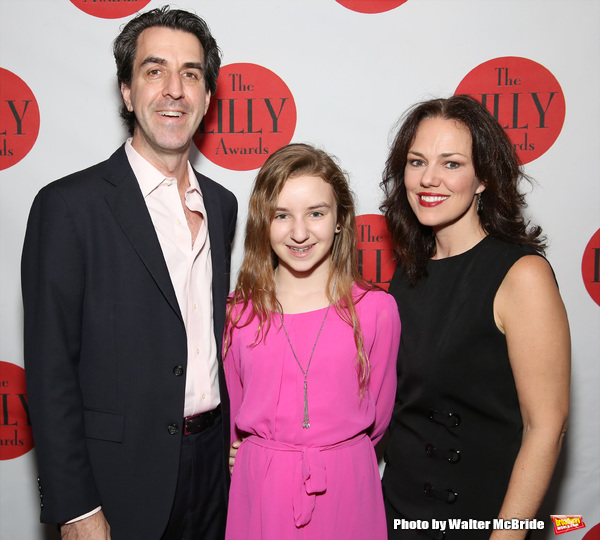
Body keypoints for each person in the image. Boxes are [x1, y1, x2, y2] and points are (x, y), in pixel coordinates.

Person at [21, 6, 237, 540]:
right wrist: (74, 508)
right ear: (126, 90)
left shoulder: (224, 205)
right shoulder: (68, 207)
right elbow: (50, 374)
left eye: (191, 74)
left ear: (208, 98)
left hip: (216, 471)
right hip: (119, 481)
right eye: (154, 70)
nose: (174, 89)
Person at [379, 95, 570, 539]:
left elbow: (546, 426)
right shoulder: (407, 275)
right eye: (417, 161)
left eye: (451, 164)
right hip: (397, 516)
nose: (429, 179)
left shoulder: (521, 274)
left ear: (483, 177)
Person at [223, 143, 400, 539]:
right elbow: (235, 405)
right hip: (262, 486)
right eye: (281, 215)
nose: (299, 233)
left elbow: (380, 414)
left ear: (340, 220)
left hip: (348, 484)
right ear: (262, 223)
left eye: (316, 213)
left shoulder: (376, 310)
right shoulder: (238, 314)